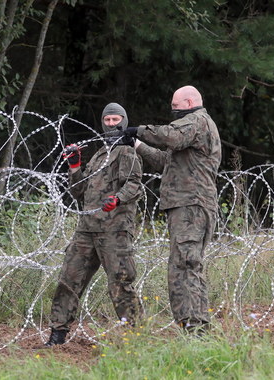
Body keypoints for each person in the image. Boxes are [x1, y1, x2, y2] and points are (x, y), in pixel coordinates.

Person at [123, 85, 221, 334]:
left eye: (175, 107)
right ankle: (195, 327)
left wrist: (140, 130)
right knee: (186, 265)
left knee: (185, 266)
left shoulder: (196, 121)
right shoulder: (194, 131)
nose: (172, 111)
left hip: (191, 205)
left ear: (189, 103)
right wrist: (136, 144)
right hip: (189, 205)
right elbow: (165, 162)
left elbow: (171, 136)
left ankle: (194, 329)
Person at [45, 103, 143, 347]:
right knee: (69, 280)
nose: (112, 124)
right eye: (107, 120)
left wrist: (117, 199)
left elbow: (134, 185)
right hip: (87, 229)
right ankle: (57, 335)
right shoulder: (100, 154)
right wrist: (75, 166)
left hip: (114, 231)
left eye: (116, 120)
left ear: (124, 120)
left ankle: (137, 336)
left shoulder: (127, 152)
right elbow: (79, 191)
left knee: (120, 284)